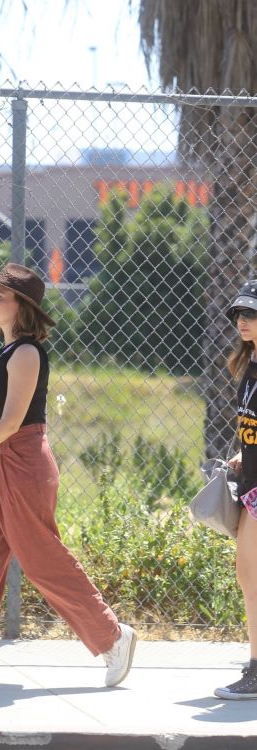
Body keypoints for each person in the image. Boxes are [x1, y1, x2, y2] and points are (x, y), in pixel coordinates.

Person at [0, 262, 136, 686]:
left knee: (41, 560)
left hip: (21, 462)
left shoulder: (27, 352)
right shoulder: (4, 352)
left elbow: (11, 423)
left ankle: (113, 637)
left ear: (23, 306)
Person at [214, 280, 257, 700]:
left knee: (249, 575)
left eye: (251, 314)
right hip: (251, 483)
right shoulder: (248, 366)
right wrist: (246, 456)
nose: (243, 321)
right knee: (249, 576)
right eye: (239, 314)